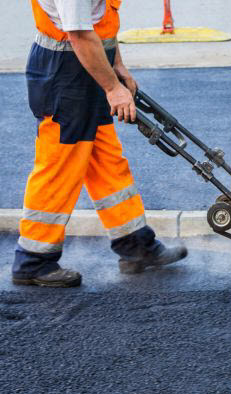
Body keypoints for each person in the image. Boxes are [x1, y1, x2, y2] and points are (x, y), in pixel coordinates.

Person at [12, 0, 187, 287]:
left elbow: (100, 22)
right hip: (64, 73)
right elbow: (79, 33)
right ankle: (33, 259)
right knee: (60, 165)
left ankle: (134, 245)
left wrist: (117, 65)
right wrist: (112, 88)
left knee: (106, 160)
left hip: (88, 64)